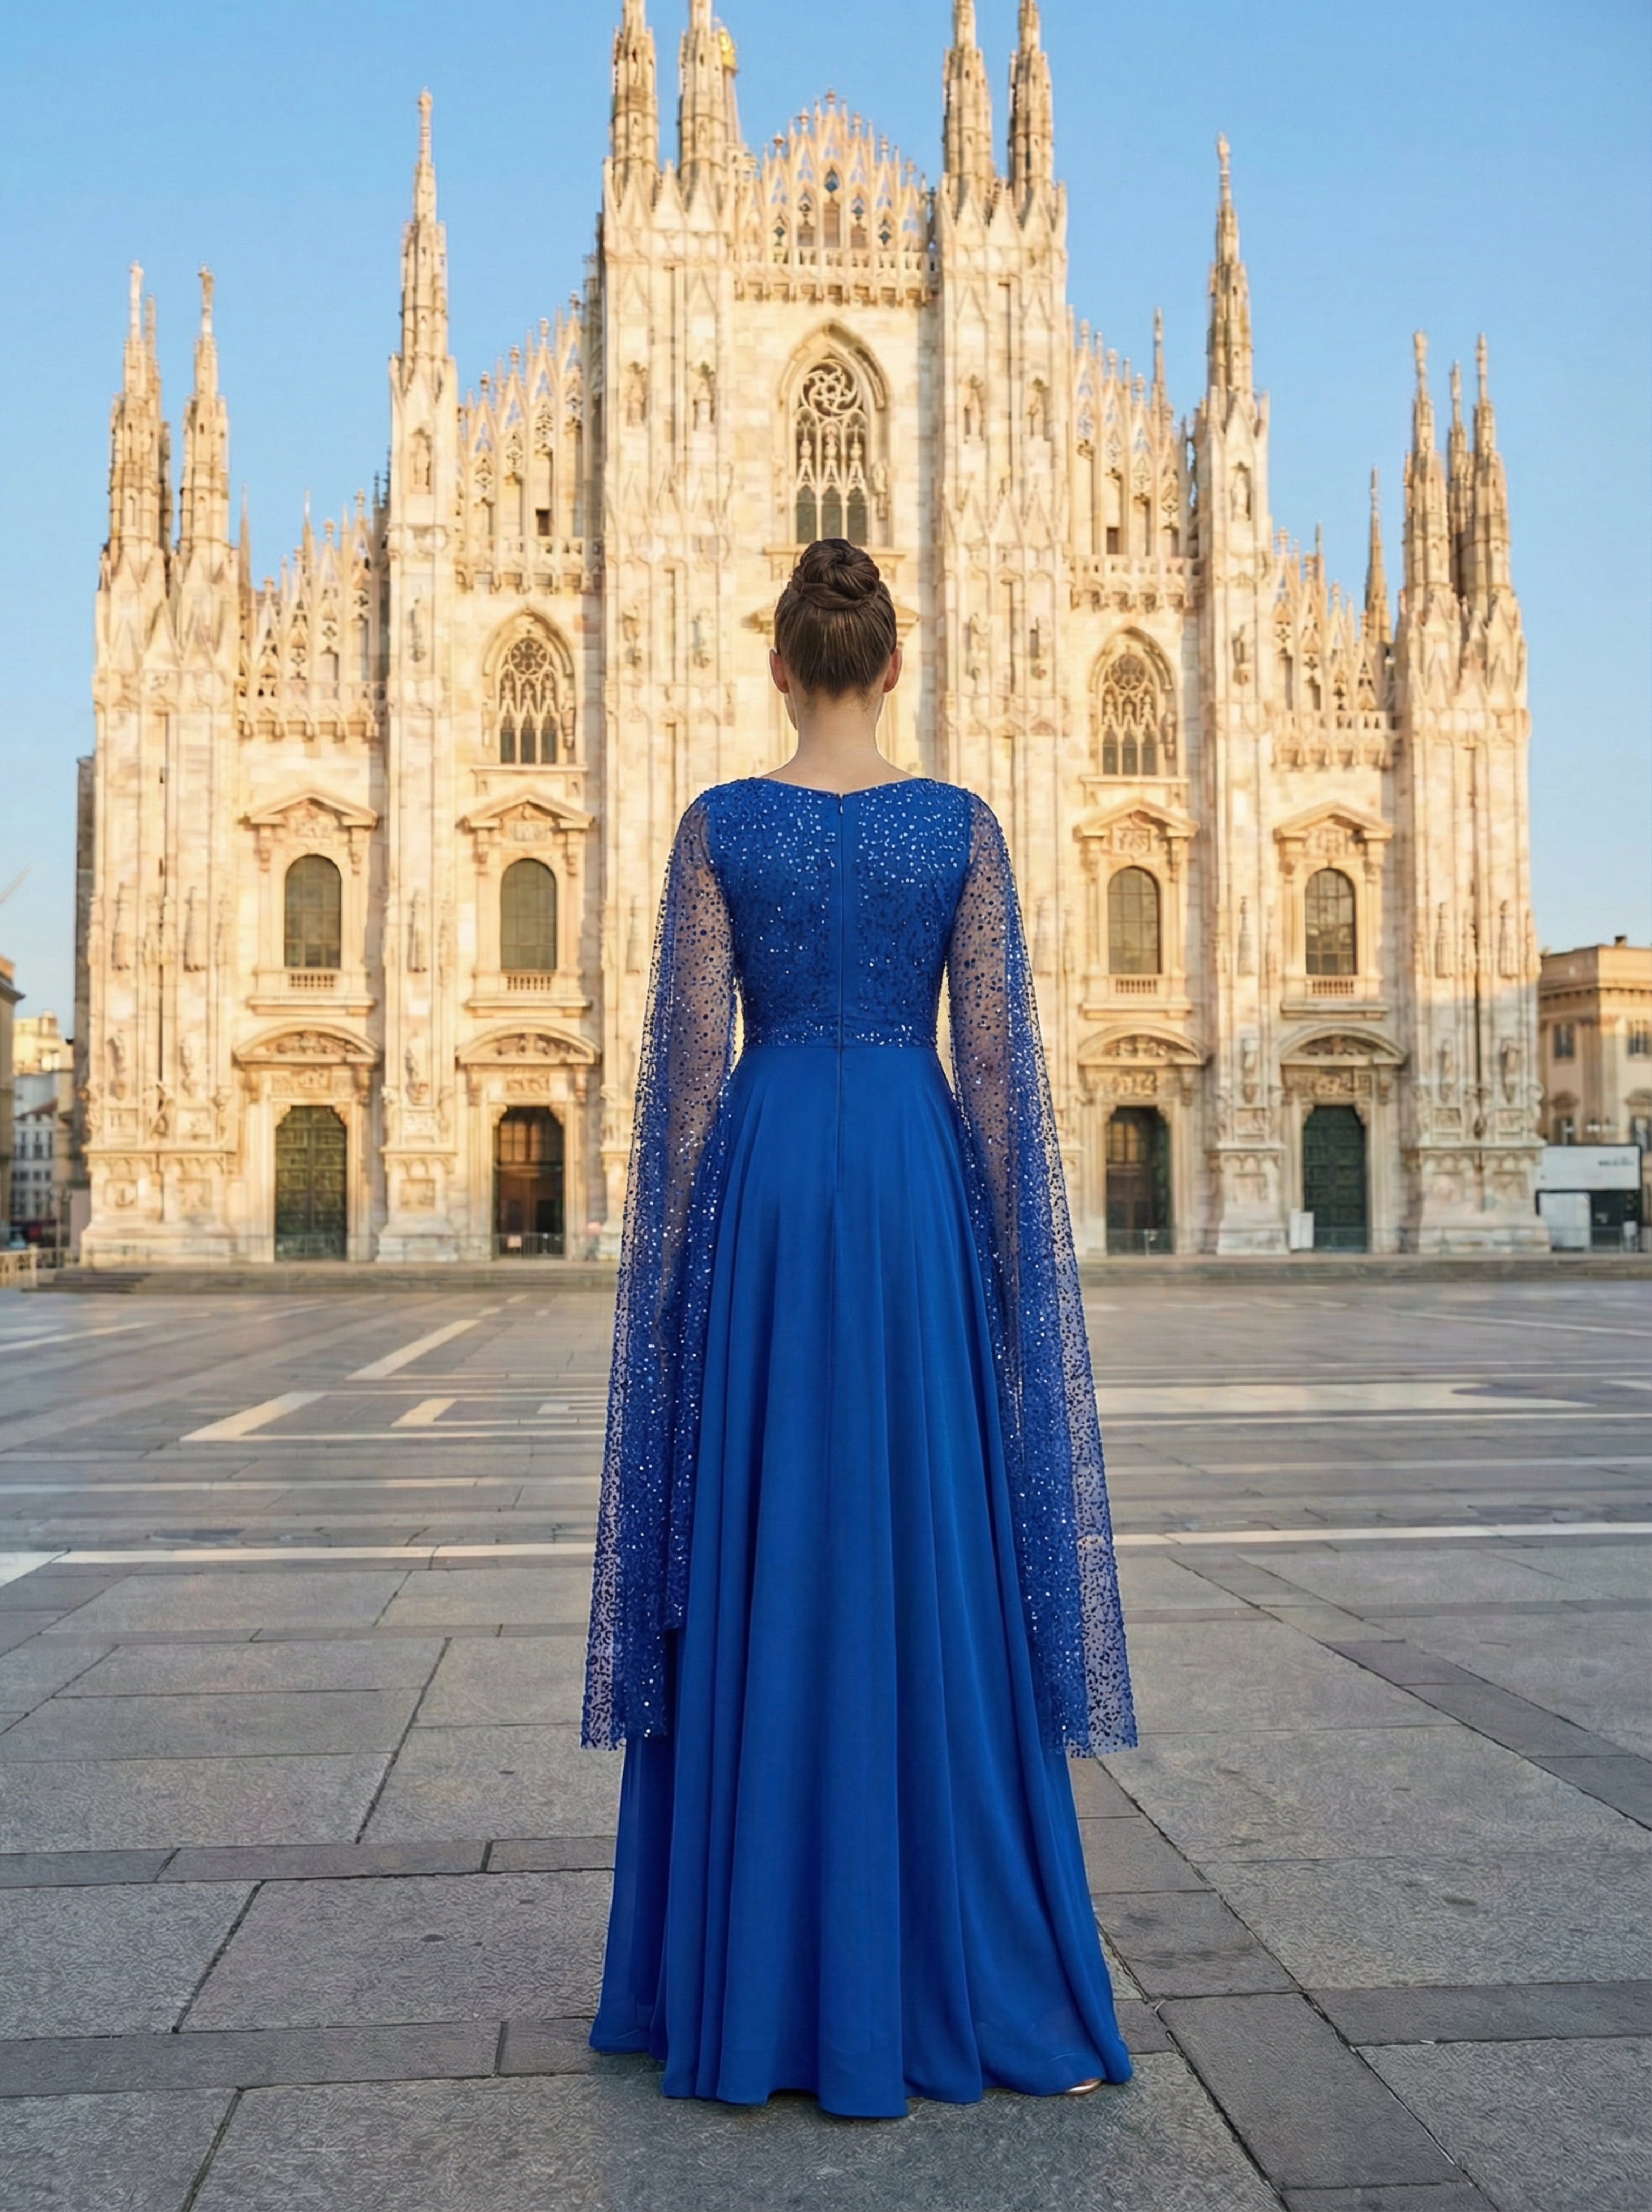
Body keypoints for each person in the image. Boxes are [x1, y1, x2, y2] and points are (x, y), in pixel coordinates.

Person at [584, 539, 1136, 2119]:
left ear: (781, 665)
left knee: (769, 1542)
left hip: (764, 1190)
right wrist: (1016, 1293)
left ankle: (744, 1985)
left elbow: (687, 1075)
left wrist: (685, 1290)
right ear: (893, 666)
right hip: (907, 1176)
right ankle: (962, 1962)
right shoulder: (957, 827)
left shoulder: (718, 826)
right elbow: (1006, 1077)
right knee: (921, 1553)